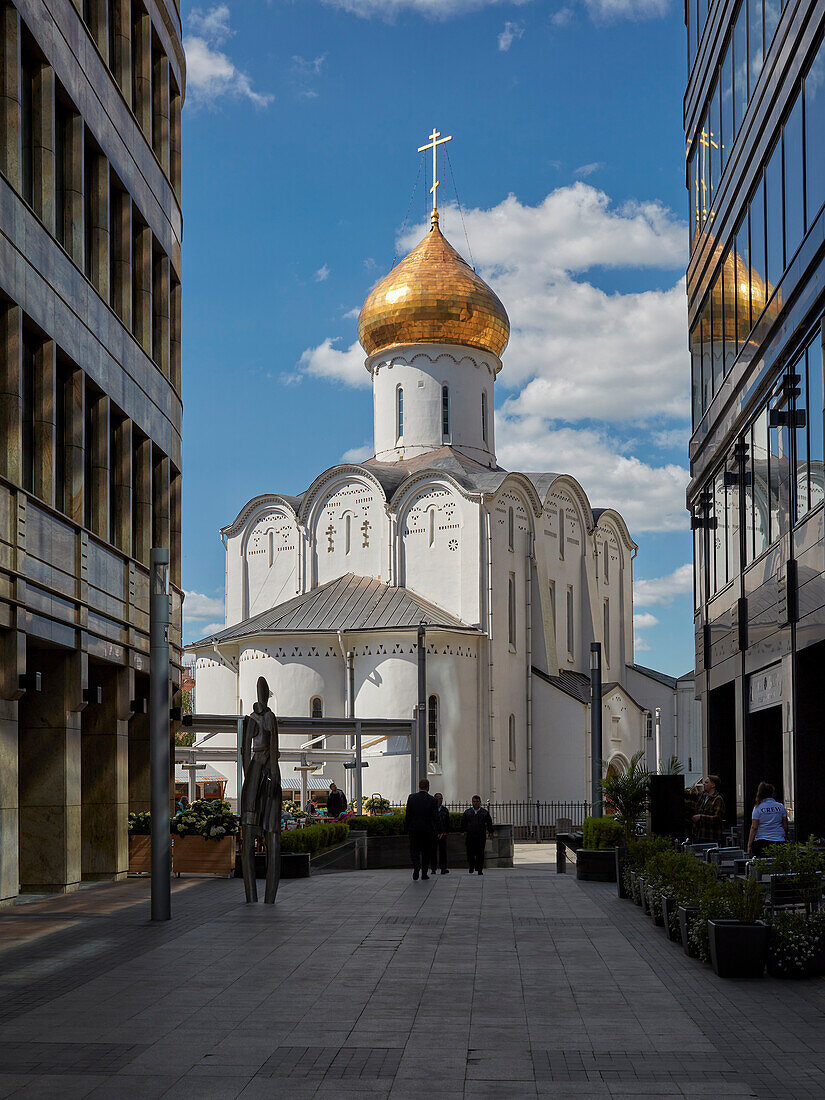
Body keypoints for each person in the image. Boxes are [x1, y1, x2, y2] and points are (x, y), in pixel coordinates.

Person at [404, 778, 438, 880]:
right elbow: (435, 817)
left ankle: (416, 865)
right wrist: (439, 830)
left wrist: (406, 827)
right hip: (427, 830)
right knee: (426, 852)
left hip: (414, 830)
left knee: (414, 850)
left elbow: (408, 815)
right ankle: (424, 873)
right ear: (428, 787)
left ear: (419, 786)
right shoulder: (433, 800)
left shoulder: (412, 798)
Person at [748, 782, 789, 856]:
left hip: (762, 842)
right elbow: (785, 826)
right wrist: (784, 837)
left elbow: (754, 827)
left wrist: (749, 845)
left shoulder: (758, 808)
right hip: (779, 841)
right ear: (772, 793)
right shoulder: (781, 806)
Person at [461, 796, 494, 874]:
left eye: (477, 801)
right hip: (470, 836)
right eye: (474, 801)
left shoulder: (484, 812)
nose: (476, 803)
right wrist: (462, 831)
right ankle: (471, 866)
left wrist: (491, 832)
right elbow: (463, 823)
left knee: (480, 853)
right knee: (470, 852)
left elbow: (489, 823)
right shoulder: (467, 812)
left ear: (480, 802)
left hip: (480, 836)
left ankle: (479, 869)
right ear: (472, 802)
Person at [691, 774, 726, 844]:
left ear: (713, 785)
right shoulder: (702, 796)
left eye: (707, 782)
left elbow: (717, 818)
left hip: (711, 836)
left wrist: (700, 817)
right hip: (698, 833)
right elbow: (691, 794)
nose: (704, 784)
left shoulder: (717, 799)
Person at [430, 792, 450, 875]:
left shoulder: (445, 810)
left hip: (443, 834)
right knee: (433, 851)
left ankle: (443, 868)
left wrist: (444, 832)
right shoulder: (431, 810)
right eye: (437, 798)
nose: (439, 800)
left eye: (440, 798)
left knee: (443, 852)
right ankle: (433, 868)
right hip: (433, 834)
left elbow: (447, 823)